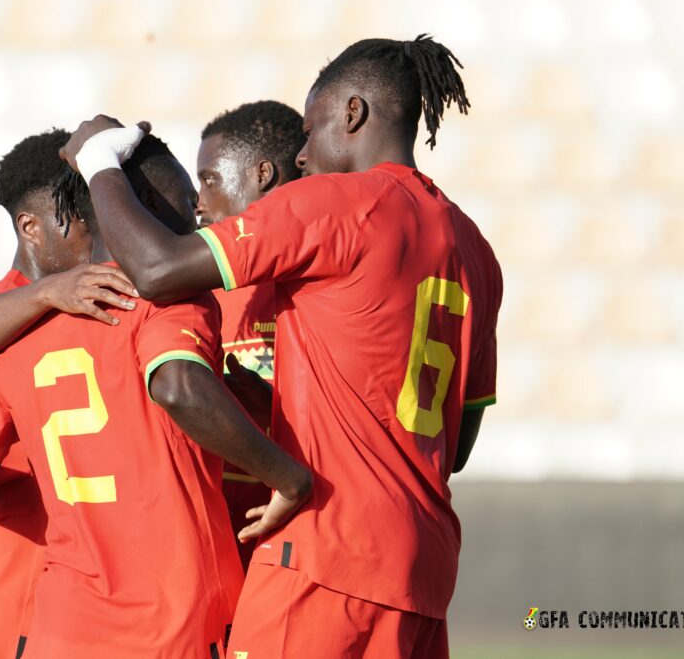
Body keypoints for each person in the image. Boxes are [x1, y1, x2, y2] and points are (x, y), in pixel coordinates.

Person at [59, 34, 502, 657]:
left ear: (352, 114)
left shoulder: (335, 203)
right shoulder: (475, 248)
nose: (299, 155)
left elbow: (159, 269)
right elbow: (456, 446)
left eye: (311, 127)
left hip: (324, 552)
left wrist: (101, 163)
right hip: (422, 572)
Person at [0, 134, 312, 658]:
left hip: (61, 624)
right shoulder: (166, 301)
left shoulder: (16, 336)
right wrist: (287, 477)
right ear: (141, 204)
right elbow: (177, 388)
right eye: (183, 191)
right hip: (170, 618)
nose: (196, 208)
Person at [0, 128, 123, 659]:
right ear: (31, 226)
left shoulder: (99, 296)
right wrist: (49, 292)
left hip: (84, 595)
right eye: (82, 217)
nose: (97, 232)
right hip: (1, 591)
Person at [195, 99, 305, 570]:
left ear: (262, 174)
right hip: (215, 543)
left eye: (210, 179)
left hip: (299, 538)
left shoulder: (315, 285)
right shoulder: (202, 287)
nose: (198, 201)